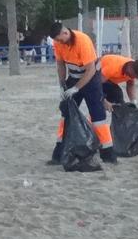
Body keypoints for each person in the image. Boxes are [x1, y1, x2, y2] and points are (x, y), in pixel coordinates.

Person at [49, 21, 116, 164]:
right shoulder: (58, 42)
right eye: (57, 41)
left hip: (91, 78)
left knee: (98, 117)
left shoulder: (82, 41)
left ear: (65, 33)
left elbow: (90, 70)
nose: (59, 43)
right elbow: (60, 64)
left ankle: (108, 153)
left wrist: (76, 88)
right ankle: (59, 151)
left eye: (60, 39)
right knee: (66, 114)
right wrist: (63, 85)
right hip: (73, 77)